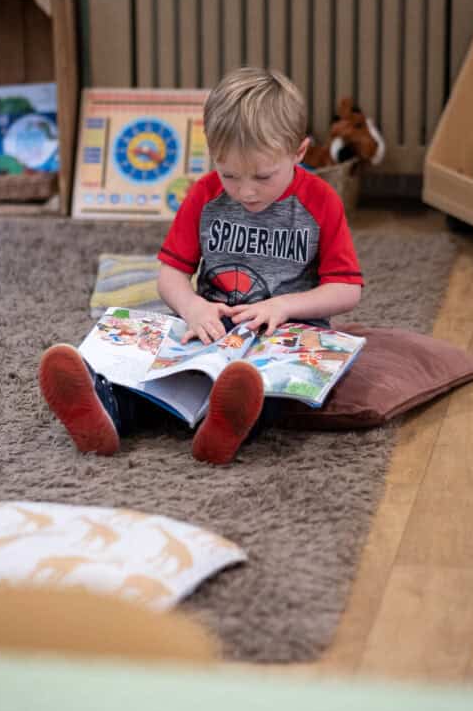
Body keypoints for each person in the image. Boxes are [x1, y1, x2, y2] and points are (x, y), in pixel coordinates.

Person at [39, 68, 364, 464]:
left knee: (273, 385)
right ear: (212, 151)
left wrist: (283, 306)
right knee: (152, 368)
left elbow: (346, 289)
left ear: (299, 152)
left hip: (286, 332)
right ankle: (105, 407)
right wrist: (192, 307)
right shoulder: (205, 195)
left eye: (263, 175)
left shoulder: (321, 201)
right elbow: (170, 275)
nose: (246, 190)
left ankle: (226, 424)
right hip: (210, 325)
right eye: (229, 174)